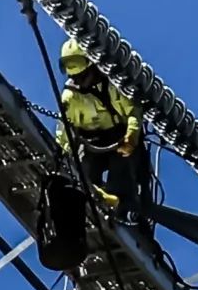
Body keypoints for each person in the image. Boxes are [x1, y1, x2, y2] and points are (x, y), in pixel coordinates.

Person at [57, 42, 150, 231]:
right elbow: (64, 132)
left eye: (83, 76)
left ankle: (122, 209)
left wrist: (131, 136)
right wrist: (63, 155)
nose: (80, 82)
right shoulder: (71, 97)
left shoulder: (114, 85)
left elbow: (133, 111)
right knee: (83, 168)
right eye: (75, 77)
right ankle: (88, 202)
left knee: (122, 167)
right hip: (92, 143)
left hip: (119, 139)